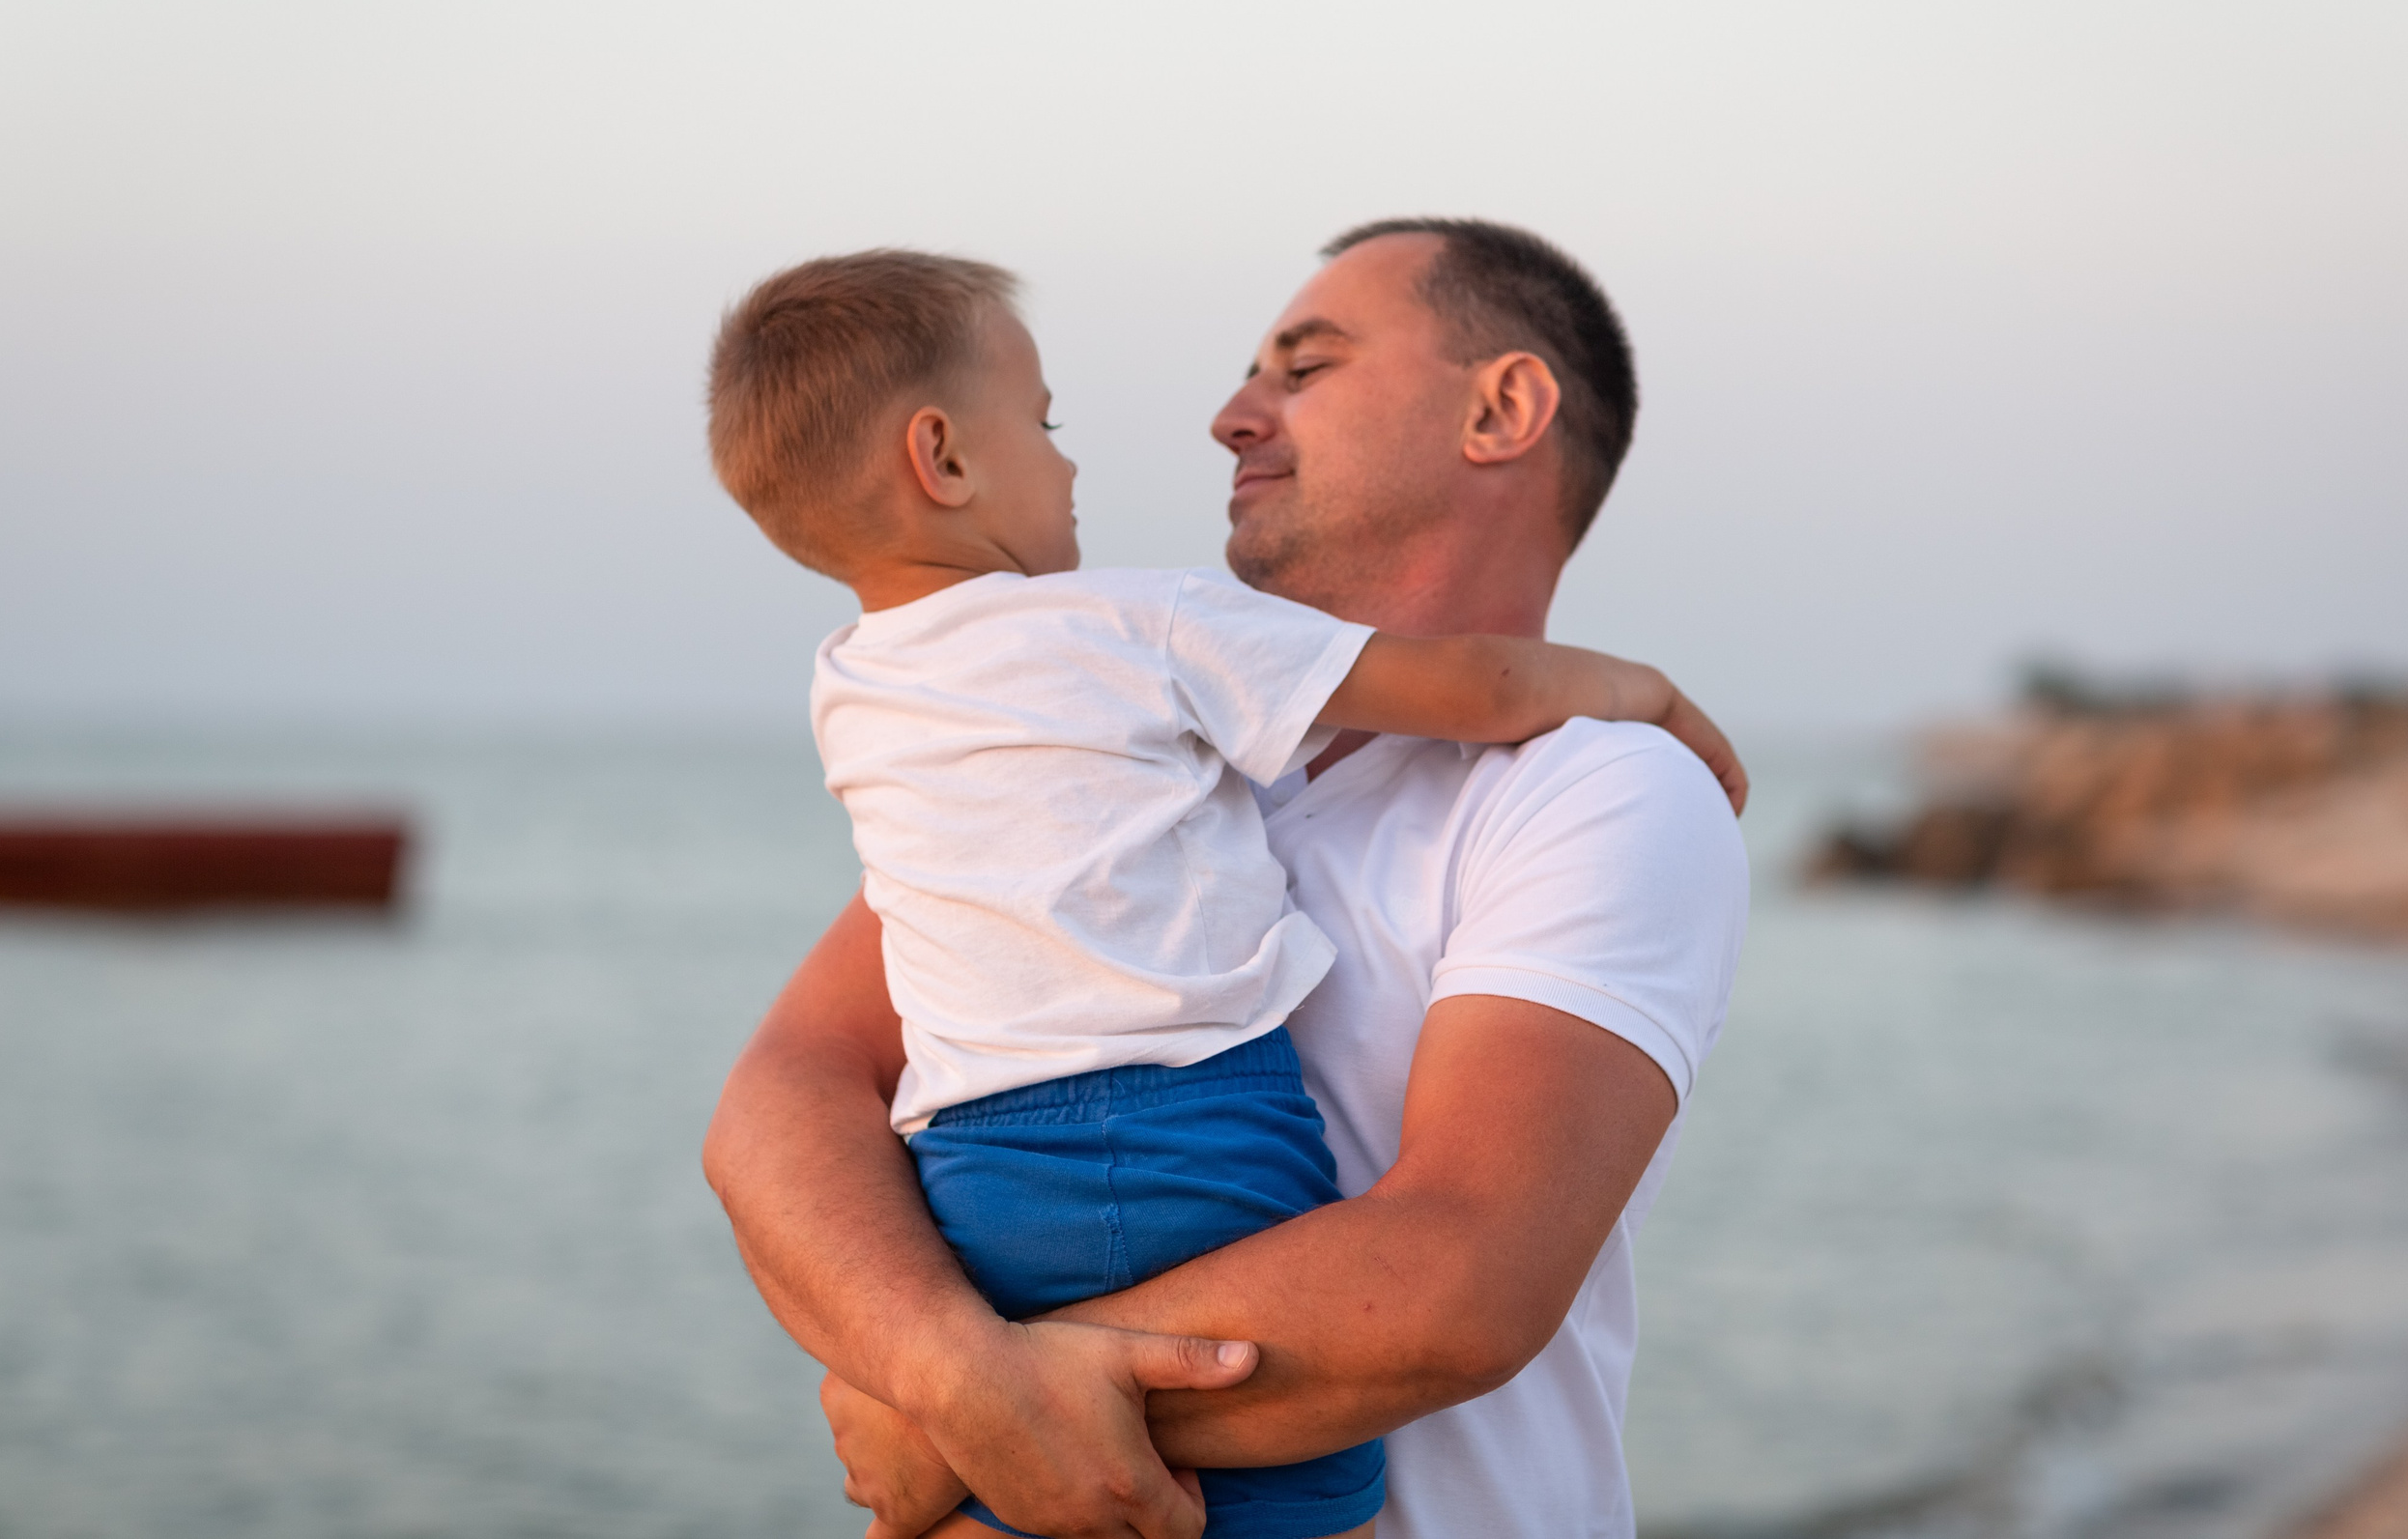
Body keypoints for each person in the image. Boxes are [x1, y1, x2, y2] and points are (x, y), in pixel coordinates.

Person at [704, 219, 1751, 1539]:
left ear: (1502, 407)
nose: (1227, 416)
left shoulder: (1601, 787)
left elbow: (1457, 1283)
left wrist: (960, 1420)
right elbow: (779, 1098)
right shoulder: (1119, 757)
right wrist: (938, 1369)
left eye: (1301, 368)